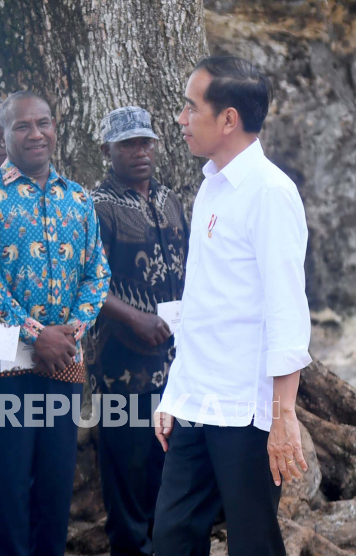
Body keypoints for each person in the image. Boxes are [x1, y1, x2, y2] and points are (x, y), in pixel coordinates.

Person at [153, 56, 312, 556]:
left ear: (228, 119)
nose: (179, 118)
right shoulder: (211, 187)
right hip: (197, 400)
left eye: (188, 106)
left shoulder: (269, 193)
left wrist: (283, 416)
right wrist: (174, 393)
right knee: (173, 534)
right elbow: (201, 304)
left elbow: (287, 311)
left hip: (247, 410)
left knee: (252, 542)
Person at [0, 91, 111, 556]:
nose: (35, 133)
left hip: (62, 363)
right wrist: (35, 334)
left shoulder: (78, 198)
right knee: (3, 490)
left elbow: (97, 274)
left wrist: (69, 334)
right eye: (22, 126)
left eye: (43, 123)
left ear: (55, 128)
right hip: (5, 367)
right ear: (2, 136)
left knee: (54, 488)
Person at [85, 106, 188, 556]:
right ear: (108, 149)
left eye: (145, 142)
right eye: (128, 144)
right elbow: (84, 283)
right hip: (122, 371)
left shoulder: (170, 199)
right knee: (127, 479)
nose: (140, 151)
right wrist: (134, 317)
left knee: (173, 476)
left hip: (180, 370)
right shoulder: (97, 206)